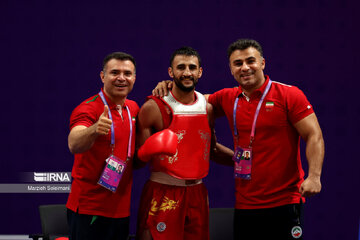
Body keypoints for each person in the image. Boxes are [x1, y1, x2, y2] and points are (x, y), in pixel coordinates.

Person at [152, 39, 325, 239]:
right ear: (231, 69)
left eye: (250, 61)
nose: (245, 67)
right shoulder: (227, 98)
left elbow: (314, 135)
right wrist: (170, 85)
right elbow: (189, 99)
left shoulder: (288, 94)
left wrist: (314, 176)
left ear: (262, 63)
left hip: (285, 201)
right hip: (245, 204)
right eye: (238, 63)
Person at [135, 46, 233, 240]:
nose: (187, 72)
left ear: (200, 72)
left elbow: (211, 150)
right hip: (163, 191)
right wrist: (147, 150)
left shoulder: (208, 108)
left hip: (197, 192)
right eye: (181, 67)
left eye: (192, 67)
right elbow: (137, 161)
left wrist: (247, 161)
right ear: (171, 72)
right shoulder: (153, 107)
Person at [66, 52, 139, 240]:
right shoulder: (88, 108)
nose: (121, 78)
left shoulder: (133, 108)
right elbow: (74, 143)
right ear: (102, 76)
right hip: (90, 208)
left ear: (134, 78)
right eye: (115, 72)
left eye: (127, 73)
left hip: (121, 208)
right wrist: (94, 129)